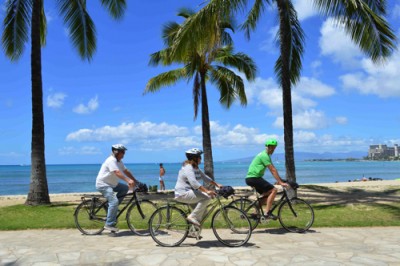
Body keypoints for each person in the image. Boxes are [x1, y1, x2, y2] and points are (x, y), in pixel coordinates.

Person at [174, 148, 222, 226]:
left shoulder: (195, 168)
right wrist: (206, 191)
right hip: (182, 193)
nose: (201, 159)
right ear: (194, 158)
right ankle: (192, 216)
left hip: (189, 193)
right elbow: (194, 183)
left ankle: (193, 231)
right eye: (199, 157)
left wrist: (217, 184)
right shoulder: (188, 167)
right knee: (206, 197)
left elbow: (205, 177)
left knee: (204, 211)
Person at [96, 144, 138, 232]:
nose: (124, 154)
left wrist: (135, 180)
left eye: (124, 152)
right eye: (122, 152)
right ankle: (109, 224)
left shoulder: (119, 161)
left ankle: (111, 209)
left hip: (112, 184)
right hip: (103, 184)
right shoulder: (111, 160)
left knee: (125, 189)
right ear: (116, 152)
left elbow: (126, 171)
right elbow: (117, 172)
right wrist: (128, 181)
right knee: (114, 201)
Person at [246, 138, 288, 220]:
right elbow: (272, 169)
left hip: (253, 178)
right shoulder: (264, 155)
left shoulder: (266, 155)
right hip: (254, 178)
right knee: (274, 190)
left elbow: (273, 169)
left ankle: (255, 213)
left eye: (274, 147)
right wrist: (280, 182)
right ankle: (267, 213)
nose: (272, 149)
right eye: (271, 147)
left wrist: (279, 180)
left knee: (267, 195)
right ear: (267, 147)